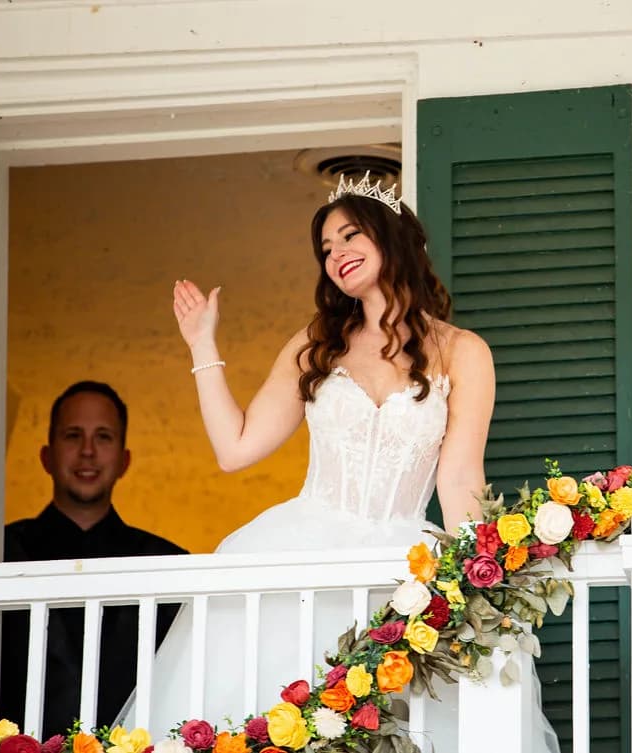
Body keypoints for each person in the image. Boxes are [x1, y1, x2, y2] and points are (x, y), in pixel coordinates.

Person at [121, 175, 558, 752]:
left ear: (392, 237)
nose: (336, 255)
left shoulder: (463, 351)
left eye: (350, 236)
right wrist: (203, 343)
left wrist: (476, 587)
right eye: (326, 248)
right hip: (298, 552)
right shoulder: (315, 344)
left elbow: (458, 479)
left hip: (403, 563)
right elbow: (235, 449)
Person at [0, 381, 188, 739]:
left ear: (124, 460)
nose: (87, 451)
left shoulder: (167, 564)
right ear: (46, 456)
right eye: (73, 435)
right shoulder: (0, 552)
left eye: (103, 437)